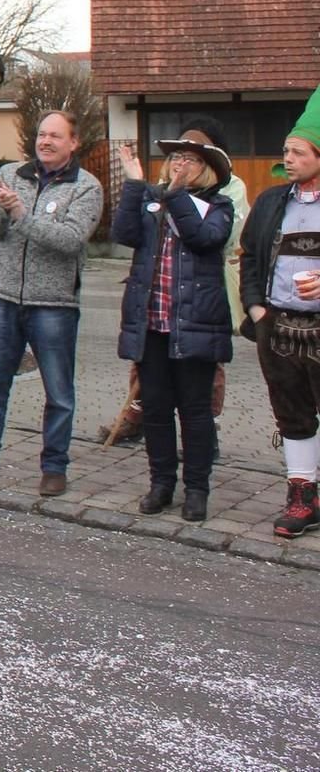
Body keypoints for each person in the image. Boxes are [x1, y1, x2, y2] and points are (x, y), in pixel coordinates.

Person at [0, 110, 104, 497]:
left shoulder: (86, 187)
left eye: (55, 136)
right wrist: (0, 206)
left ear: (73, 142)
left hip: (54, 304)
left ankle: (54, 467)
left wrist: (21, 214)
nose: (45, 142)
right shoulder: (13, 174)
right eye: (42, 135)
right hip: (5, 297)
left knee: (58, 392)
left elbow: (70, 240)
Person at [113, 136, 236, 523]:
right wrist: (134, 184)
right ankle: (162, 483)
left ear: (208, 169)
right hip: (152, 323)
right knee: (157, 411)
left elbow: (204, 238)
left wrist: (177, 196)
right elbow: (124, 234)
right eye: (176, 158)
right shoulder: (152, 199)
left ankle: (197, 489)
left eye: (191, 159)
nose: (180, 164)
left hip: (196, 324)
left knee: (196, 413)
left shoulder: (219, 205)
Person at [239, 83, 320, 539]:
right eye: (286, 151)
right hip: (279, 328)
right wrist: (255, 310)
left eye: (298, 152)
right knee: (291, 414)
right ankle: (302, 497)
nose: (288, 159)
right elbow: (249, 256)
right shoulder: (272, 201)